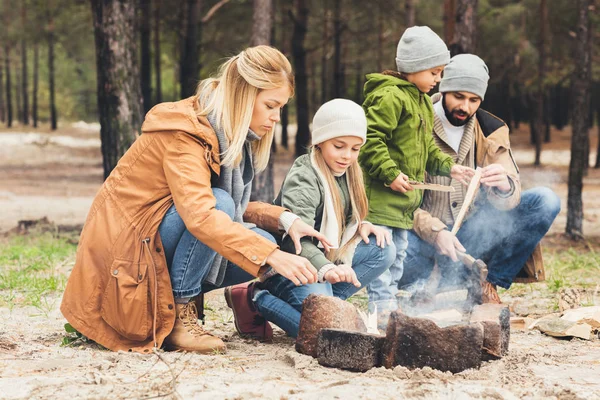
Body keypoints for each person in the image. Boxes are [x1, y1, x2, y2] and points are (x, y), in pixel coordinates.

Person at [60, 46, 332, 354]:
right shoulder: (186, 134)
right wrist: (270, 255)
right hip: (125, 257)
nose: (276, 117)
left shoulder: (224, 132)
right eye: (271, 105)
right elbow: (202, 214)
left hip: (154, 241)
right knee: (226, 210)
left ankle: (250, 299)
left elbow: (229, 210)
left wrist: (284, 220)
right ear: (244, 94)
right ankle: (179, 314)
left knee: (261, 235)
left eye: (281, 108)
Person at [224, 99, 396, 339]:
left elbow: (341, 219)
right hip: (292, 264)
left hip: (323, 260)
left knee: (382, 249)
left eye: (355, 149)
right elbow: (295, 241)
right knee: (323, 333)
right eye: (339, 146)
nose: (347, 156)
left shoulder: (348, 173)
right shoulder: (305, 178)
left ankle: (326, 306)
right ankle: (255, 298)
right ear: (321, 141)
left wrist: (360, 227)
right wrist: (325, 269)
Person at [400, 54, 561, 302]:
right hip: (422, 241)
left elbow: (511, 199)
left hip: (470, 238)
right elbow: (397, 200)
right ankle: (421, 287)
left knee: (545, 200)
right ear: (443, 89)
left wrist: (505, 187)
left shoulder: (491, 128)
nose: (465, 107)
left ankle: (487, 281)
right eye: (459, 97)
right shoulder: (414, 122)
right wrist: (436, 232)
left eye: (474, 100)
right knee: (390, 241)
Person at [359, 26, 475, 306]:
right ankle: (382, 310)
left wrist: (450, 167)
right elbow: (368, 140)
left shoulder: (422, 101)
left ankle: (389, 306)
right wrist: (389, 174)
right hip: (382, 201)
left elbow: (426, 149)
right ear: (415, 67)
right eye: (434, 72)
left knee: (398, 255)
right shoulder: (390, 97)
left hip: (404, 204)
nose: (439, 79)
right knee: (382, 256)